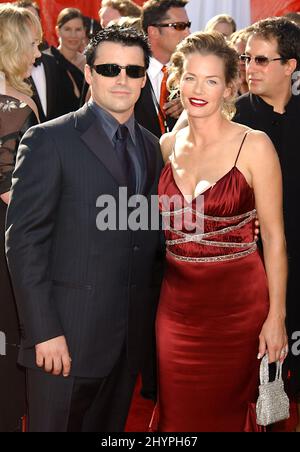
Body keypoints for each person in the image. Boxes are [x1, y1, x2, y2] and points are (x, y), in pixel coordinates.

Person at [5, 25, 163, 433]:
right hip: (63, 341)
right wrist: (43, 332)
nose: (122, 79)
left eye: (133, 70)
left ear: (144, 77)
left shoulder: (151, 145)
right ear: (89, 73)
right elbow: (24, 243)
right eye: (110, 68)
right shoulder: (47, 141)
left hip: (127, 345)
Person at [153, 31, 288, 432]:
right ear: (177, 79)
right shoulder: (166, 145)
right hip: (176, 310)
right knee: (178, 416)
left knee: (233, 414)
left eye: (211, 80)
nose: (198, 89)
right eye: (190, 77)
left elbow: (276, 239)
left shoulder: (254, 145)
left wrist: (276, 317)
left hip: (240, 309)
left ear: (230, 86)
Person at [233, 17, 300, 431]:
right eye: (246, 58)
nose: (250, 68)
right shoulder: (233, 119)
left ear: (290, 65)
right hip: (252, 270)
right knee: (254, 383)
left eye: (261, 59)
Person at [0, 4, 41, 432]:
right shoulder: (10, 102)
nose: (38, 51)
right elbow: (9, 184)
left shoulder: (14, 94)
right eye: (32, 43)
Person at [134, 0, 189, 138]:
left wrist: (189, 107)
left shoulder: (191, 72)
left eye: (188, 25)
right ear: (153, 31)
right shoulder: (129, 71)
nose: (187, 32)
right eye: (179, 26)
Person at [47, 8, 87, 114]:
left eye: (78, 29)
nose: (73, 35)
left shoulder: (89, 63)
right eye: (67, 29)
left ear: (84, 32)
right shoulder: (47, 61)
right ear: (57, 31)